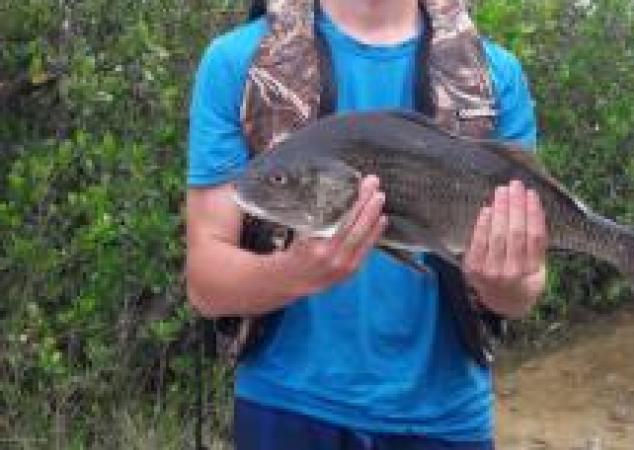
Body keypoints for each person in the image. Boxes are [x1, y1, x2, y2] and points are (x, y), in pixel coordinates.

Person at [185, 0, 547, 448]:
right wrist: (294, 273)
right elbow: (205, 283)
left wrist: (503, 282)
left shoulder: (495, 75)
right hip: (284, 405)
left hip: (445, 417)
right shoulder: (236, 62)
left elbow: (523, 293)